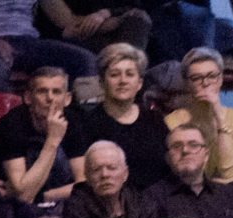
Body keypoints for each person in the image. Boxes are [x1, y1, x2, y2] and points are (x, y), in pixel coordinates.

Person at [0, 65, 78, 218]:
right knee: (26, 213)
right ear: (28, 97)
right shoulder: (12, 124)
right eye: (42, 91)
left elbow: (84, 184)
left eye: (56, 92)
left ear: (67, 98)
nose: (50, 98)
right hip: (3, 203)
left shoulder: (76, 122)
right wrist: (52, 140)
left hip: (51, 198)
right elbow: (25, 195)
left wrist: (45, 195)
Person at [66, 43, 165, 187]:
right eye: (114, 75)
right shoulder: (86, 125)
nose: (123, 81)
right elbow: (83, 182)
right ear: (102, 82)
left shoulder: (157, 120)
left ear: (139, 83)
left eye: (129, 74)